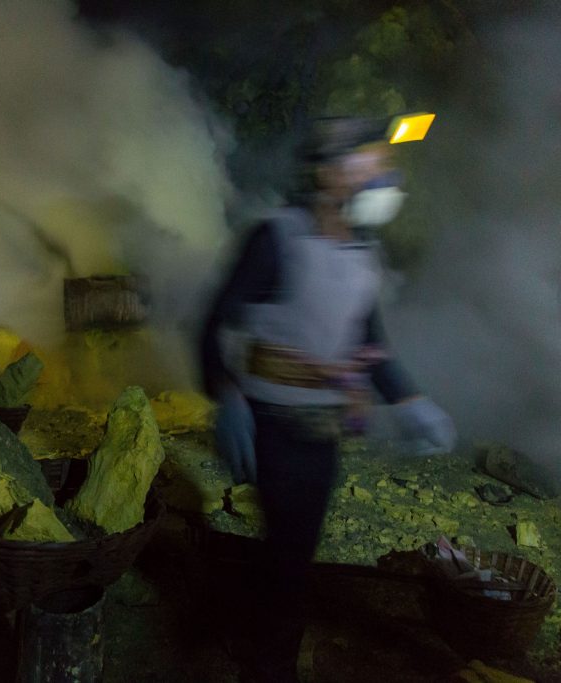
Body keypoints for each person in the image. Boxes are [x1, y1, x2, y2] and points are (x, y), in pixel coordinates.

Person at [200, 116, 457, 681]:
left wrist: (412, 400)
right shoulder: (277, 239)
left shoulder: (361, 255)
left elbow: (372, 345)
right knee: (291, 556)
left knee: (292, 547)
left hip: (323, 430)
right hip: (273, 424)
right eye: (369, 165)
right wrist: (228, 395)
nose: (382, 177)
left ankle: (253, 632)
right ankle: (269, 666)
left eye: (383, 166)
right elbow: (216, 322)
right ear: (329, 176)